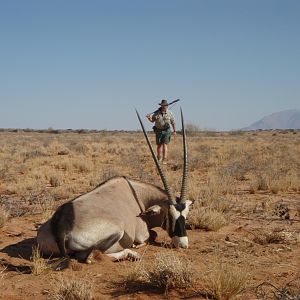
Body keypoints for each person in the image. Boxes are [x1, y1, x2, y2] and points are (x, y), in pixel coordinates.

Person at [146, 99, 176, 164]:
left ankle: (164, 159)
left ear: (167, 106)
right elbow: (152, 121)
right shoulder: (156, 113)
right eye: (163, 105)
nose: (164, 106)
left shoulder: (170, 113)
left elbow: (173, 122)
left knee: (165, 144)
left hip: (167, 131)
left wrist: (174, 131)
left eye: (165, 105)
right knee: (159, 145)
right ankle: (159, 158)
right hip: (158, 131)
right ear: (161, 105)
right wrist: (149, 118)